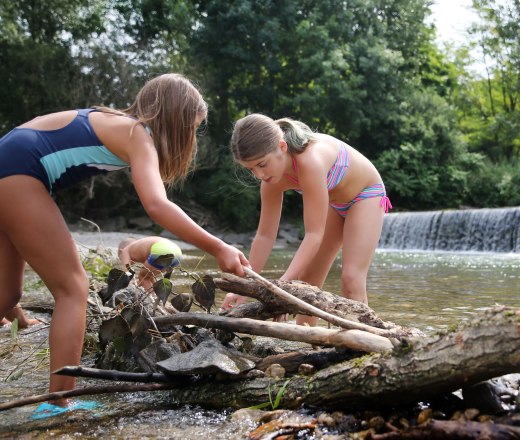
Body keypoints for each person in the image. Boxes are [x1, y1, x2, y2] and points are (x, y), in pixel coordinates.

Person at [0, 73, 249, 412]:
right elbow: (157, 204)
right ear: (174, 120)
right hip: (18, 172)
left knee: (8, 295)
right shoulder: (138, 134)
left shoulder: (120, 124)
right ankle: (57, 402)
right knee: (73, 288)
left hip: (11, 164)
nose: (192, 136)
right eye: (192, 127)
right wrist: (219, 247)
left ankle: (55, 396)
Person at [219, 114, 391, 326]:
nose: (259, 175)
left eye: (262, 164)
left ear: (282, 147)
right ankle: (307, 343)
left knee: (351, 279)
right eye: (251, 169)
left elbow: (313, 235)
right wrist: (246, 288)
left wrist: (280, 289)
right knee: (308, 280)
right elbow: (264, 236)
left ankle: (365, 344)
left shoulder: (310, 161)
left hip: (366, 195)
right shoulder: (271, 182)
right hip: (334, 203)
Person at [118, 236, 184, 290]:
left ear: (121, 251)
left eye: (121, 259)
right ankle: (157, 298)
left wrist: (129, 282)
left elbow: (126, 271)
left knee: (143, 277)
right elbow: (150, 274)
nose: (122, 260)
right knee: (148, 276)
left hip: (161, 250)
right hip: (177, 252)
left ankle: (151, 300)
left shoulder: (125, 250)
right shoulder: (139, 246)